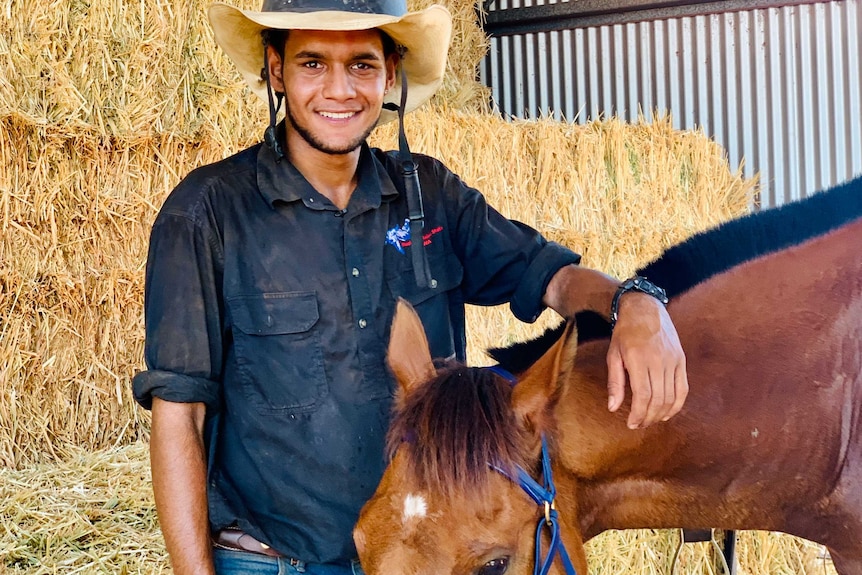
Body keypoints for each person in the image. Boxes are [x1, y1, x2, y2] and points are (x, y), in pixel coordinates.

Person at [132, 0, 688, 574]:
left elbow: (553, 277)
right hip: (273, 562)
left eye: (363, 65)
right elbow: (180, 416)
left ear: (391, 73)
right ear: (277, 71)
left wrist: (635, 302)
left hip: (423, 555)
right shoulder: (206, 214)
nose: (340, 90)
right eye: (313, 63)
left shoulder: (431, 194)